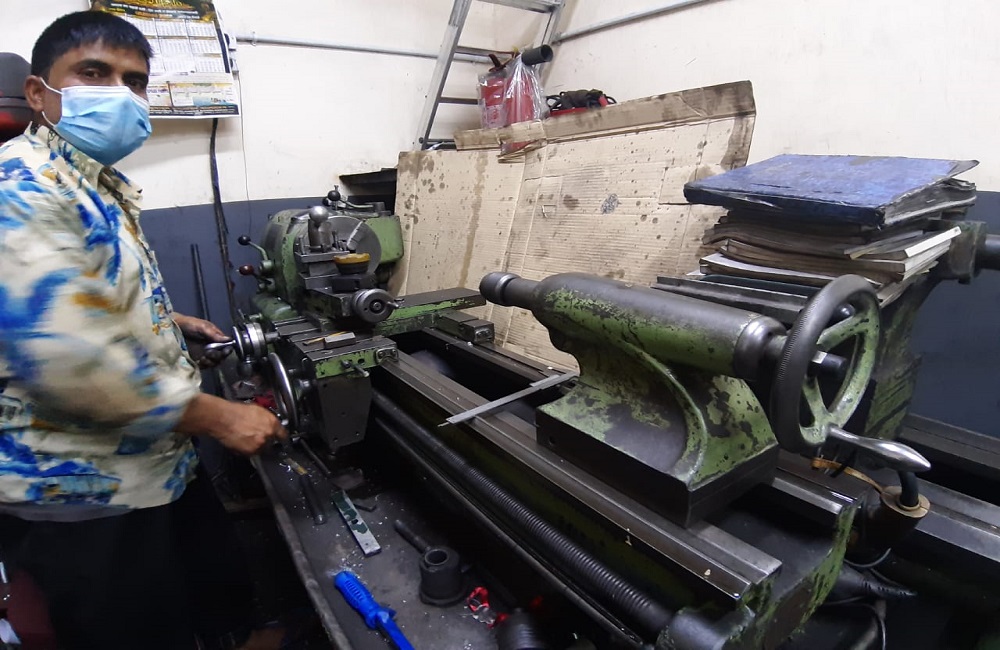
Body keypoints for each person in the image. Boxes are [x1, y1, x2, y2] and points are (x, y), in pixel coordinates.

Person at [0, 10, 289, 649]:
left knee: (209, 583)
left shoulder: (93, 183)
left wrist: (169, 322)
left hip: (154, 457)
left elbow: (89, 290)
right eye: (93, 73)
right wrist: (222, 417)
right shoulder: (19, 189)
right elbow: (72, 363)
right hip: (80, 486)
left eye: (134, 82)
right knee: (137, 631)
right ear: (39, 94)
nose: (119, 94)